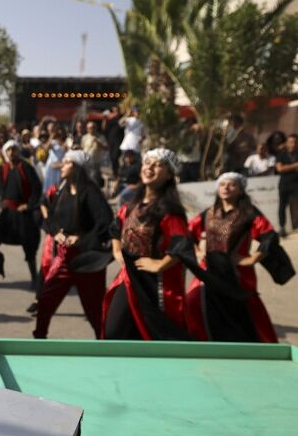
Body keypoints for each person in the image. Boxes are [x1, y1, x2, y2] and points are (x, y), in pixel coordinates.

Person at [185, 172, 294, 343]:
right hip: (209, 270)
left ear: (241, 190)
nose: (226, 188)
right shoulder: (209, 213)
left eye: (231, 184)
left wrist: (251, 259)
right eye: (222, 184)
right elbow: (187, 233)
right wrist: (198, 251)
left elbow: (269, 236)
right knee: (194, 301)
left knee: (244, 310)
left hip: (238, 273)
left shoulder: (248, 213)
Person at [102, 149, 192, 340]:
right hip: (128, 278)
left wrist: (159, 264)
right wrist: (117, 250)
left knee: (153, 333)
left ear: (169, 175)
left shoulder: (169, 209)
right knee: (114, 330)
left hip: (155, 284)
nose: (149, 167)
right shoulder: (131, 203)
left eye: (157, 164)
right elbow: (116, 227)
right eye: (147, 162)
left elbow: (181, 244)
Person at [33, 151, 113, 339]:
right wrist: (56, 233)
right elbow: (47, 212)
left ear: (77, 167)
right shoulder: (62, 191)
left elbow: (105, 222)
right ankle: (39, 339)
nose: (63, 165)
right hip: (63, 257)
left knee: (94, 311)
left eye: (67, 162)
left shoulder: (90, 192)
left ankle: (104, 346)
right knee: (45, 301)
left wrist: (81, 238)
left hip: (87, 260)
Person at [0, 140, 43, 287]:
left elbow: (37, 187)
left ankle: (34, 278)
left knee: (29, 245)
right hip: (7, 213)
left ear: (18, 151)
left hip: (22, 213)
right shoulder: (5, 168)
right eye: (9, 150)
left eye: (14, 150)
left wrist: (29, 205)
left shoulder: (25, 167)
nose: (11, 153)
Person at [275, 132, 298, 237]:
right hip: (284, 184)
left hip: (296, 184)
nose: (292, 144)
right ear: (287, 143)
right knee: (282, 206)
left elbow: (283, 168)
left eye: (294, 142)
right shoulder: (281, 155)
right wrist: (295, 166)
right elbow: (279, 168)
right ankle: (282, 227)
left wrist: (287, 167)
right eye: (290, 142)